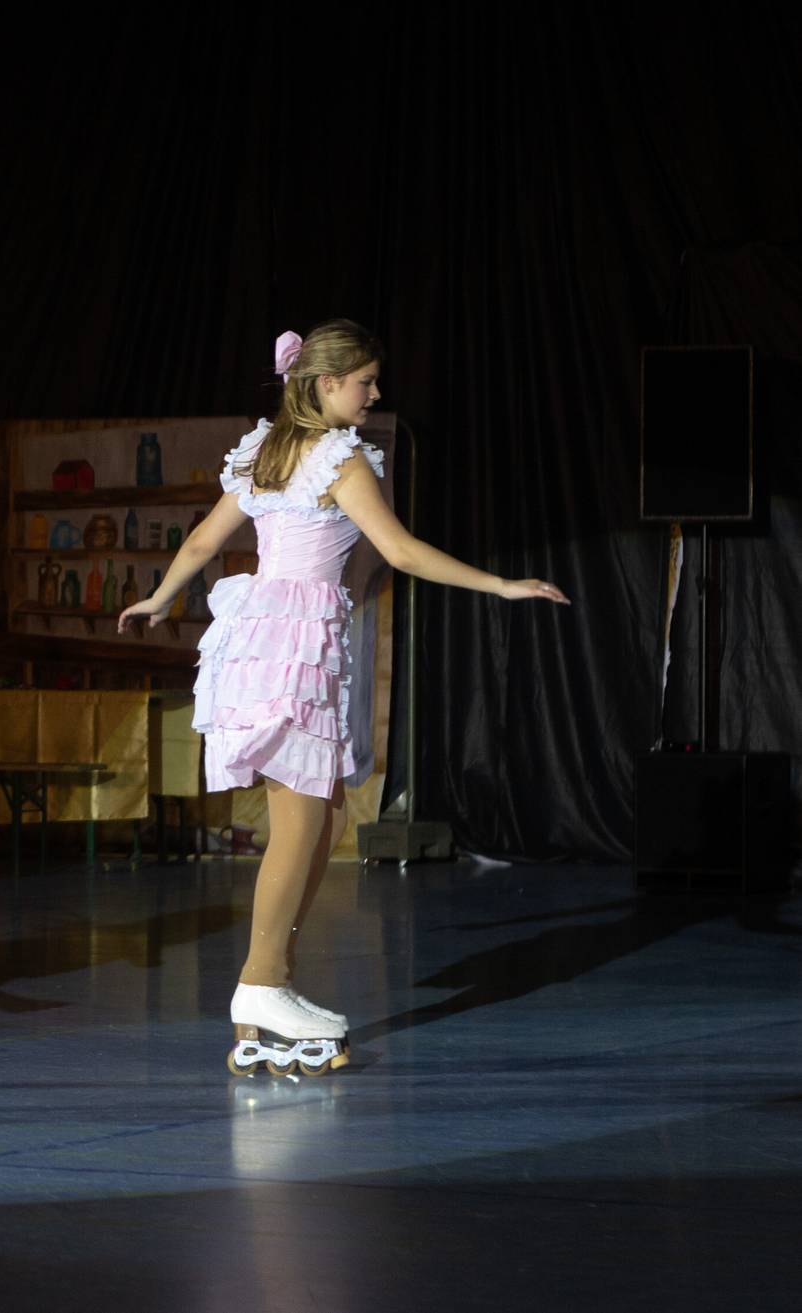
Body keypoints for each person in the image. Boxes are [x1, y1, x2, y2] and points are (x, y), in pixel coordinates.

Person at [119, 321, 568, 1075]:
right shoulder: (338, 455)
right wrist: (499, 584)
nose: (375, 393)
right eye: (365, 381)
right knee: (299, 822)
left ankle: (274, 981)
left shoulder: (267, 449)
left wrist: (162, 598)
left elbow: (202, 542)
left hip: (270, 635)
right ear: (327, 383)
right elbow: (399, 550)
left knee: (324, 818)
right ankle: (261, 983)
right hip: (291, 645)